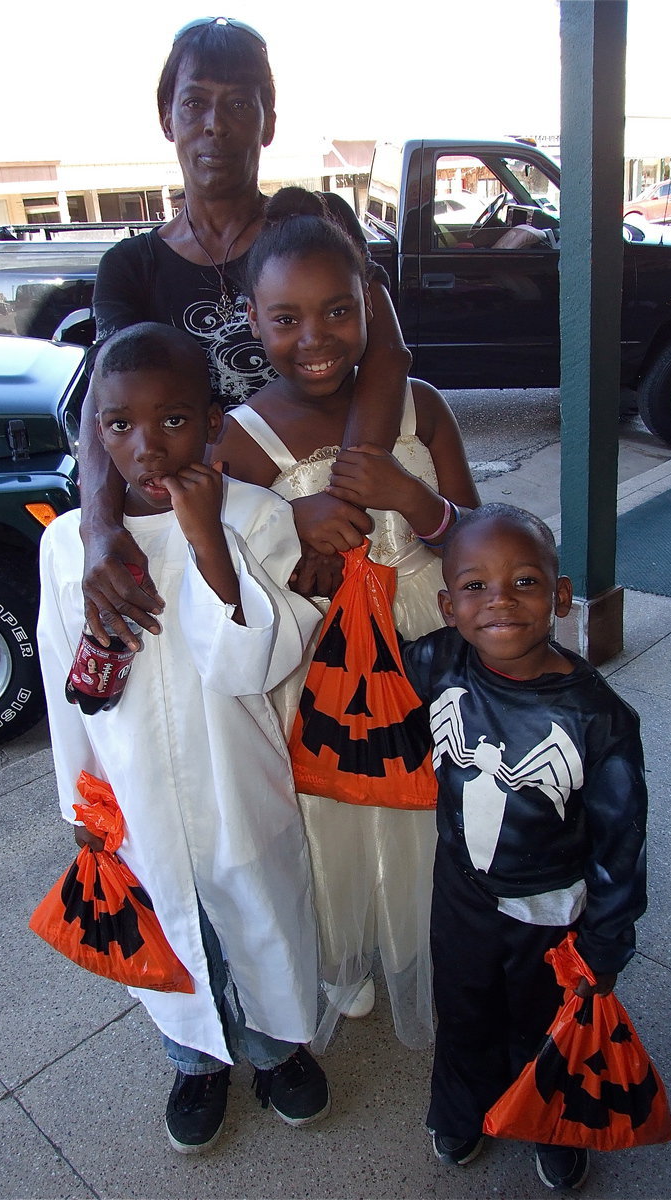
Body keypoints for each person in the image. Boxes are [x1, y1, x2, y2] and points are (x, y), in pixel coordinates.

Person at [36, 322, 330, 1155]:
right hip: (131, 786)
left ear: (211, 421)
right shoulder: (69, 548)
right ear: (98, 432)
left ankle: (278, 1046)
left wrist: (207, 541)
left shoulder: (255, 517)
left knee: (260, 903)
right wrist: (77, 796)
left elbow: (250, 666)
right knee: (167, 920)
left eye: (171, 421)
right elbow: (70, 686)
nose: (146, 445)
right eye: (120, 424)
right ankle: (195, 1057)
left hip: (233, 768)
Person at [213, 187, 481, 1050]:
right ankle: (348, 948)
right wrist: (297, 531)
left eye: (336, 310)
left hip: (428, 648)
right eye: (286, 318)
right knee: (329, 813)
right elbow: (234, 571)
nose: (315, 338)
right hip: (324, 666)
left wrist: (414, 499)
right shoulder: (243, 439)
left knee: (425, 807)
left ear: (369, 300)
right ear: (252, 318)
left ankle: (419, 935)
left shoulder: (423, 406)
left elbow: (478, 538)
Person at [79, 16, 411, 648]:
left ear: (269, 121)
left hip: (333, 510)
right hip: (209, 528)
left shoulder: (315, 227)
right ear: (167, 119)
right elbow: (107, 401)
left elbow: (386, 356)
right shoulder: (132, 268)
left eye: (239, 104)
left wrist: (343, 506)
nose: (216, 124)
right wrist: (98, 528)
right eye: (195, 102)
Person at [400, 504, 648, 1191]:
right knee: (466, 1008)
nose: (499, 601)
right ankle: (462, 1106)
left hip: (551, 906)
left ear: (560, 596)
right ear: (448, 605)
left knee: (543, 1018)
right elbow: (366, 674)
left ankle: (550, 1118)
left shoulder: (597, 719)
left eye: (525, 583)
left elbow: (620, 844)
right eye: (475, 587)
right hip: (461, 896)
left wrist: (605, 942)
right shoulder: (439, 663)